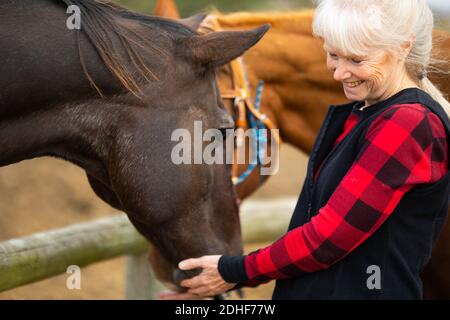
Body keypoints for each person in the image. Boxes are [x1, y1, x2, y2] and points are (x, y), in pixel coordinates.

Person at [161, 0, 450, 300]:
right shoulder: (365, 114)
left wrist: (233, 272)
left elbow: (328, 238)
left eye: (356, 60)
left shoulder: (408, 123)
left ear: (403, 48)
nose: (339, 73)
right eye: (333, 55)